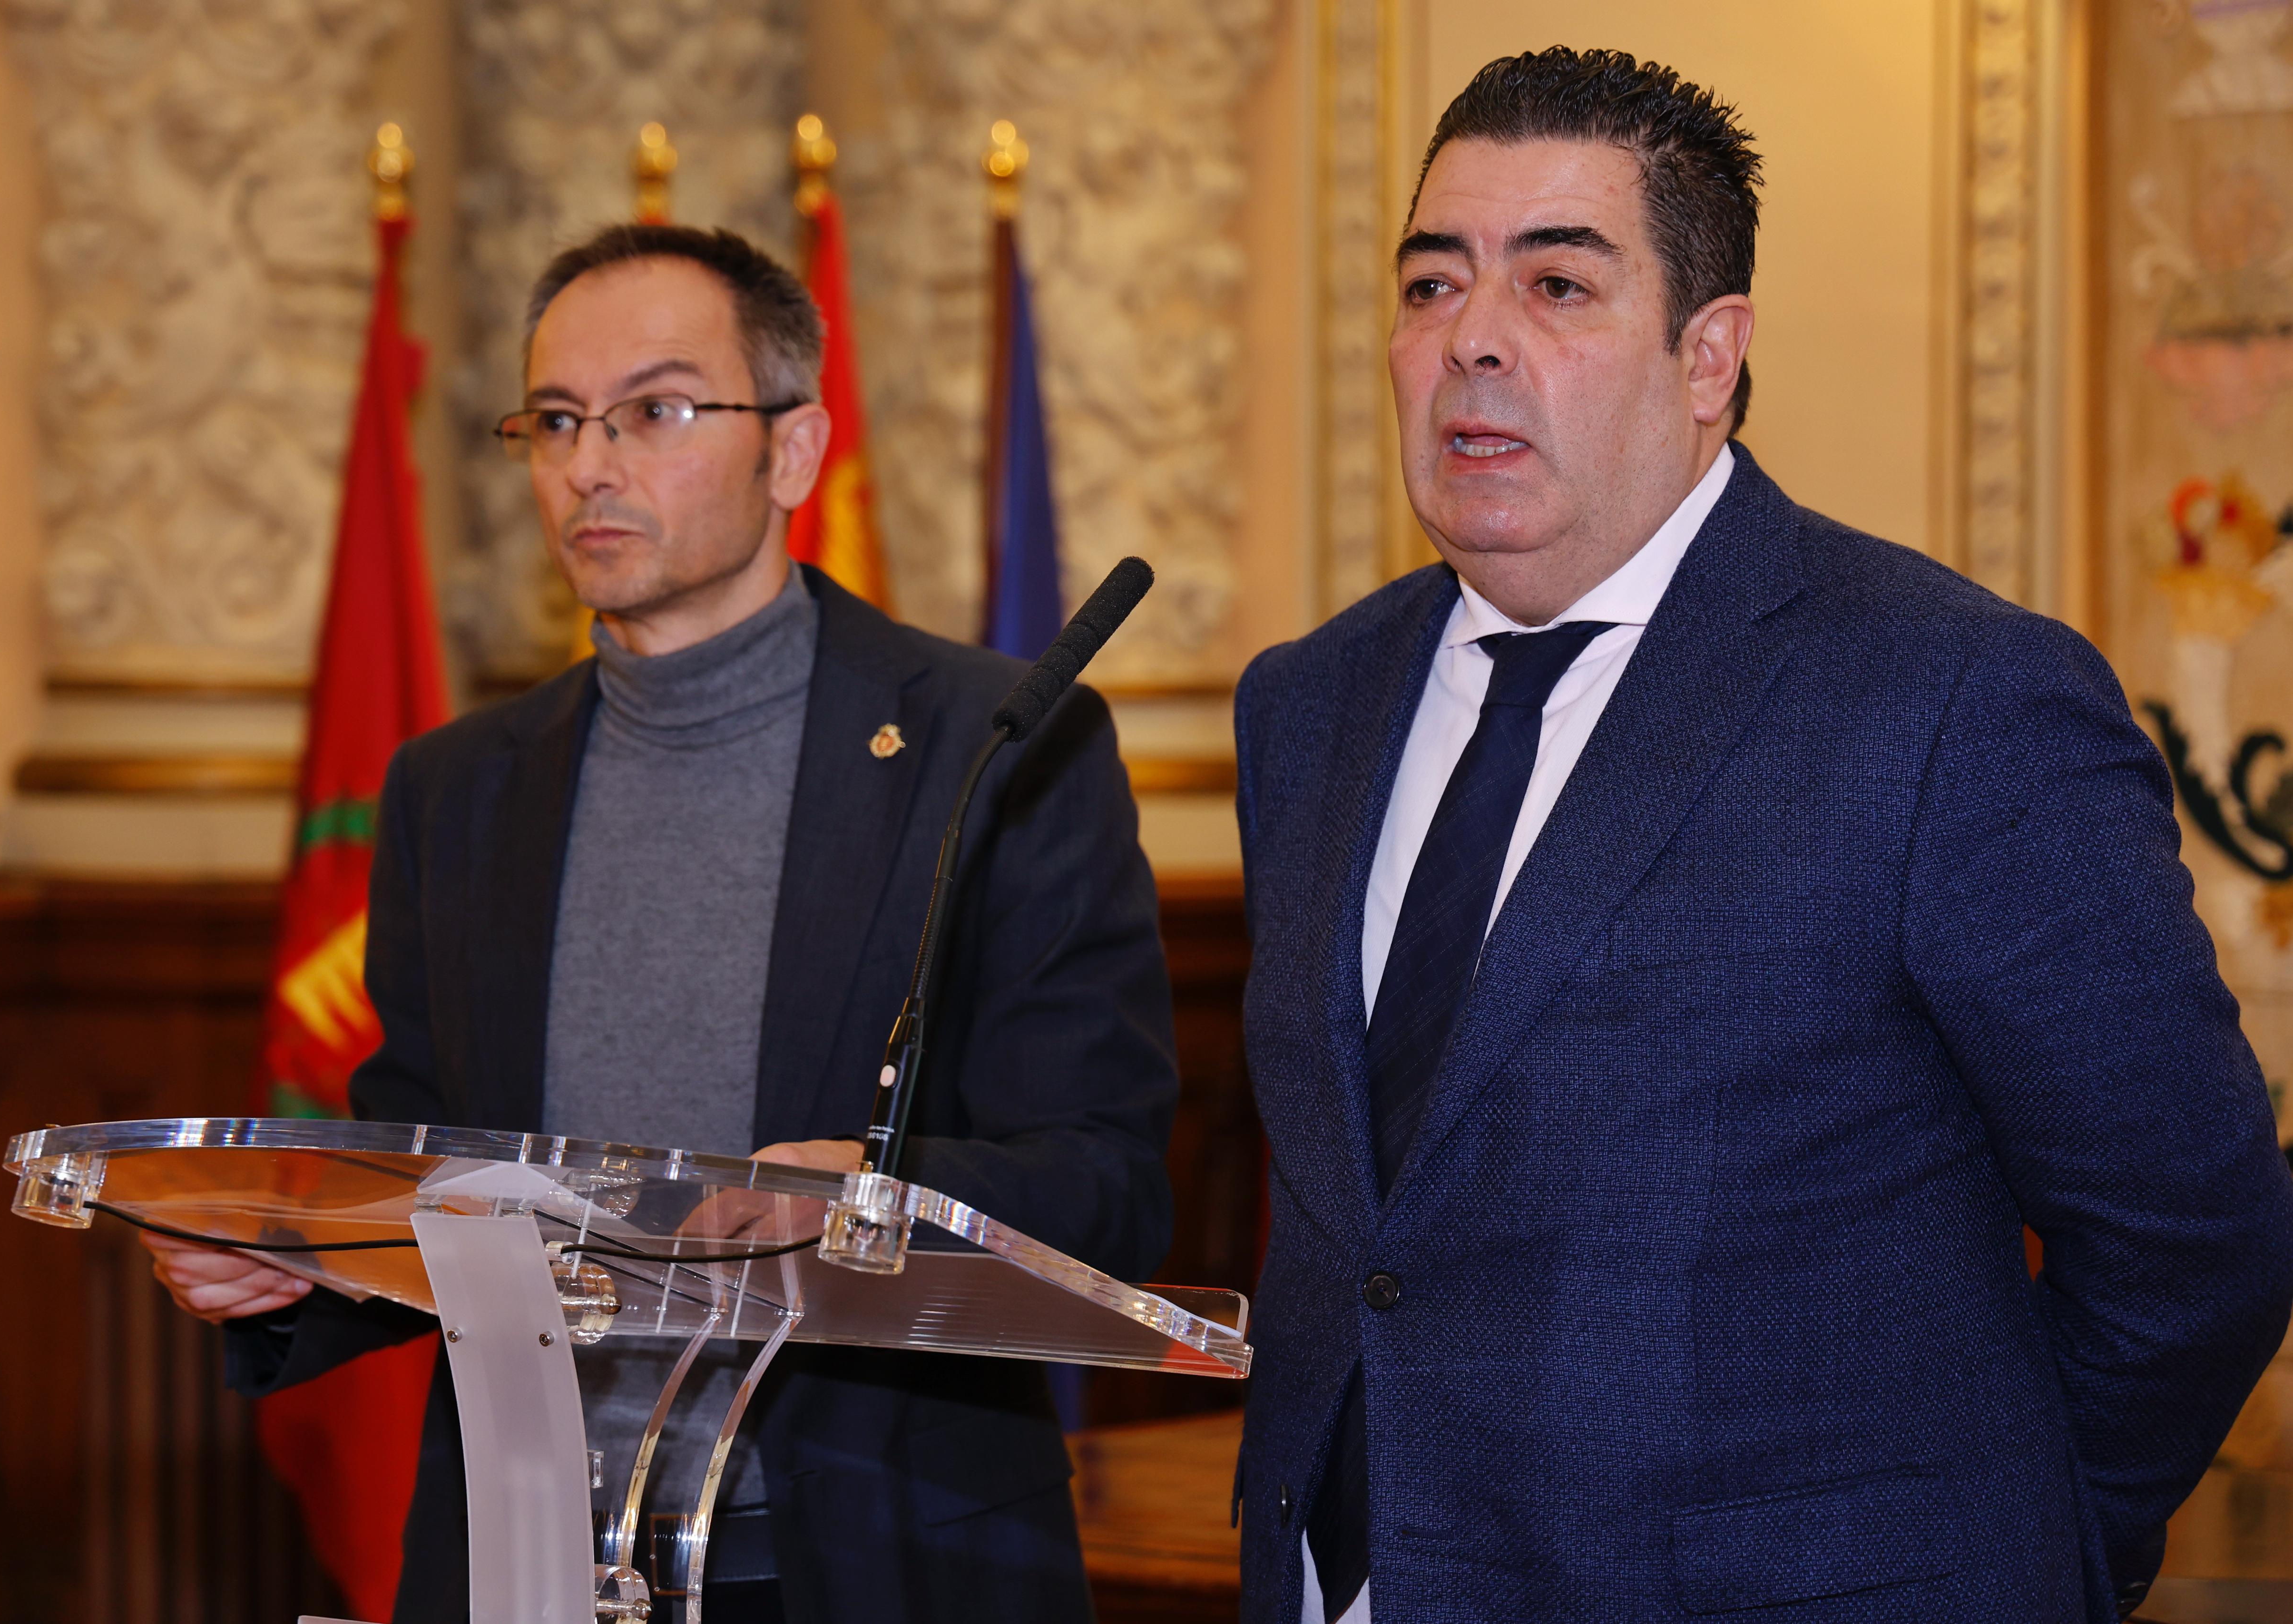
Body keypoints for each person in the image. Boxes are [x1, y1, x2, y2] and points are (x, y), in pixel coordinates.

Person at [1231, 47, 2293, 1624]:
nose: (1472, 341)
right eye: (1432, 284)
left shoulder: (1950, 700)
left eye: (1558, 286)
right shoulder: (1309, 703)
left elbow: (2191, 1237)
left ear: (1709, 356)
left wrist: (2013, 1547)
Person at [147, 222, 1178, 1624]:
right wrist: (292, 1257)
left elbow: (1106, 1185)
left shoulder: (994, 748)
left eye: (655, 412)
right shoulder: (457, 788)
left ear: (795, 451)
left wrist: (875, 1201)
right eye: (557, 420)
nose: (590, 465)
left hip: (876, 1560)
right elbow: (427, 1171)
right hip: (529, 1558)